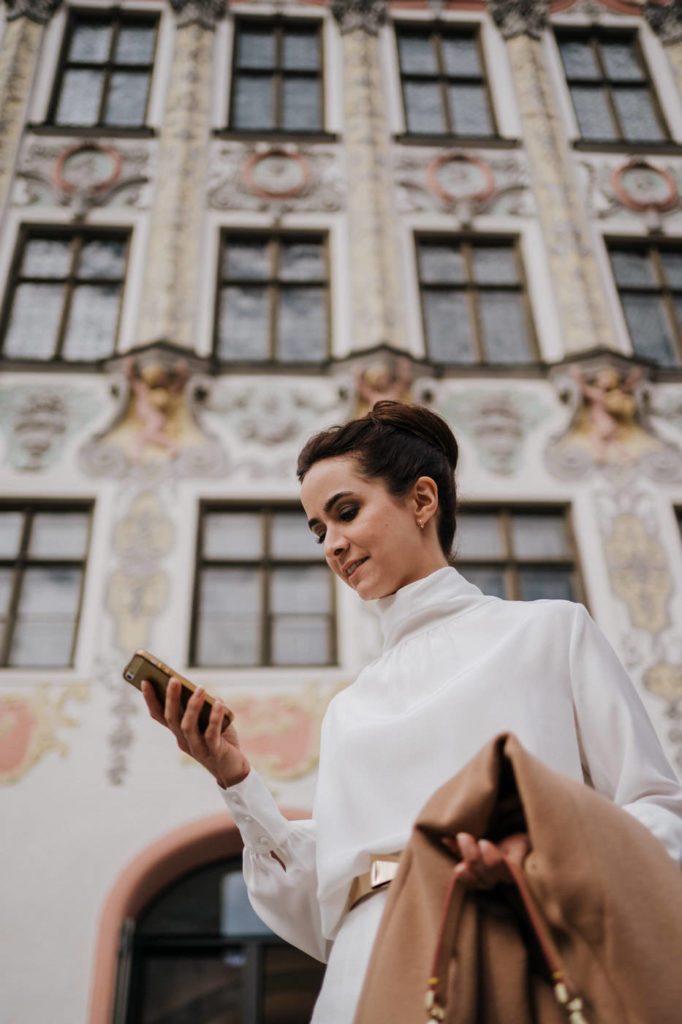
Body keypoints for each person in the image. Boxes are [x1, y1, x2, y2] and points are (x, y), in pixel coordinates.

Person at [142, 401, 682, 1023]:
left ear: (423, 501)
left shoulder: (549, 631)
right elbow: (320, 906)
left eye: (346, 512)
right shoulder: (350, 708)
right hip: (368, 965)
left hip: (518, 942)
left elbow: (656, 811)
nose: (334, 545)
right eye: (319, 530)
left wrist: (541, 860)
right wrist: (233, 775)